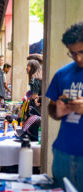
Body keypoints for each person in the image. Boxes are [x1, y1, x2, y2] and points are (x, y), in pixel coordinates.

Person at [46, 22, 83, 191]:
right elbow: (51, 109)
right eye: (73, 53)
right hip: (63, 153)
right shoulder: (62, 74)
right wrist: (58, 110)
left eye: (82, 52)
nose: (78, 58)